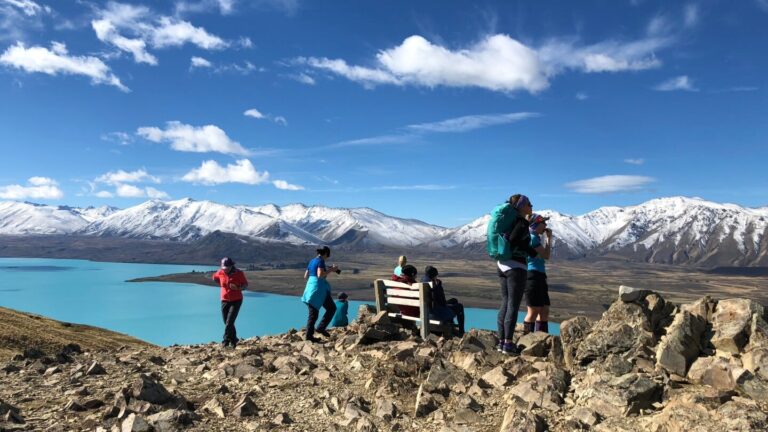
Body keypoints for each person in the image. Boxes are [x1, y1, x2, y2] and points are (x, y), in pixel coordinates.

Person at [495, 194, 538, 355]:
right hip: (516, 267)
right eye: (529, 204)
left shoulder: (509, 220)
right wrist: (531, 252)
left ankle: (501, 342)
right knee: (513, 304)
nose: (531, 206)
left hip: (502, 264)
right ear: (522, 206)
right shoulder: (521, 222)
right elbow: (514, 240)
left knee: (505, 302)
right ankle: (508, 343)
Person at [301, 246, 341, 343]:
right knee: (321, 311)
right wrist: (331, 270)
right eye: (327, 256)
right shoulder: (321, 261)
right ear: (326, 254)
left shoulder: (312, 261)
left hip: (310, 287)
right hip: (318, 289)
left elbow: (305, 276)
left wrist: (325, 270)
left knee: (320, 311)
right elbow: (320, 275)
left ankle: (316, 331)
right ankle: (311, 334)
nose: (327, 258)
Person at [524, 214, 553, 334]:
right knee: (533, 311)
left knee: (544, 310)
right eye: (543, 223)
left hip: (539, 275)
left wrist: (548, 239)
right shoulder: (532, 238)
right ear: (535, 225)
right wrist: (548, 239)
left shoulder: (535, 237)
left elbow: (546, 255)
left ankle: (541, 339)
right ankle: (527, 339)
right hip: (532, 276)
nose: (545, 225)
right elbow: (546, 255)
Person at [212, 257, 249, 348]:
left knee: (229, 322)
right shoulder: (220, 272)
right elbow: (214, 278)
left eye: (227, 268)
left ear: (232, 266)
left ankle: (225, 341)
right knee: (227, 322)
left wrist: (238, 288)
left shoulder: (239, 273)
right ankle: (234, 340)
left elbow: (245, 285)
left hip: (236, 300)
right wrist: (222, 285)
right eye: (224, 268)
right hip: (224, 300)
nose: (225, 270)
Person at [422, 266, 465, 336]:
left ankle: (451, 326)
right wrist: (439, 286)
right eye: (436, 275)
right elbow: (442, 301)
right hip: (435, 314)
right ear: (434, 276)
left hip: (426, 311)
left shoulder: (423, 281)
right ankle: (461, 332)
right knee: (460, 306)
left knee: (454, 300)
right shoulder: (432, 285)